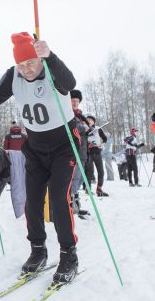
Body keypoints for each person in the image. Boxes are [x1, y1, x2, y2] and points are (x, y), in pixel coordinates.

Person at [0, 32, 79, 285]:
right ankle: (38, 250)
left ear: (39, 57)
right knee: (31, 201)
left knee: (59, 199)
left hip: (64, 146)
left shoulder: (51, 68)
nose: (26, 69)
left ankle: (69, 253)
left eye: (31, 63)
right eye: (21, 64)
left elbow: (70, 82)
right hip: (35, 148)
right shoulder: (13, 75)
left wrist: (50, 56)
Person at [69, 89, 90, 218]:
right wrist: (84, 128)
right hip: (73, 151)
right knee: (74, 178)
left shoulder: (80, 116)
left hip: (83, 152)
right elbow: (71, 128)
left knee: (80, 178)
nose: (75, 103)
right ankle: (70, 205)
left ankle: (76, 205)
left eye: (77, 101)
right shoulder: (68, 114)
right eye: (73, 101)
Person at [3, 120, 27, 217]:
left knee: (16, 184)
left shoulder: (8, 136)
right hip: (24, 160)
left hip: (12, 161)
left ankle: (19, 209)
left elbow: (5, 149)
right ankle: (27, 206)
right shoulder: (24, 136)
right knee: (25, 183)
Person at [85, 115, 108, 196]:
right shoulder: (84, 129)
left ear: (94, 121)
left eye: (91, 120)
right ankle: (88, 189)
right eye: (87, 120)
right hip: (88, 153)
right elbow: (81, 141)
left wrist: (102, 144)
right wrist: (88, 144)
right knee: (90, 172)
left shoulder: (98, 129)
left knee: (101, 171)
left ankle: (99, 188)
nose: (89, 121)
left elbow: (105, 139)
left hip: (97, 153)